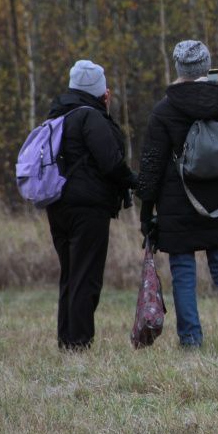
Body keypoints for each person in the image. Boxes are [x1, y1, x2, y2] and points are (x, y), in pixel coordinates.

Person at [135, 40, 218, 348]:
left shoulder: (164, 110)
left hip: (177, 206)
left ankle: (191, 341)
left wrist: (146, 212)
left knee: (183, 275)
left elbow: (151, 166)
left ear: (179, 68)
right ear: (206, 67)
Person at [45, 59, 136, 350]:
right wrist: (134, 181)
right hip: (88, 208)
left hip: (57, 204)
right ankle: (80, 342)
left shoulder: (58, 115)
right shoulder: (91, 117)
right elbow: (110, 162)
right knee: (87, 276)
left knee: (70, 274)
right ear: (102, 92)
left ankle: (66, 340)